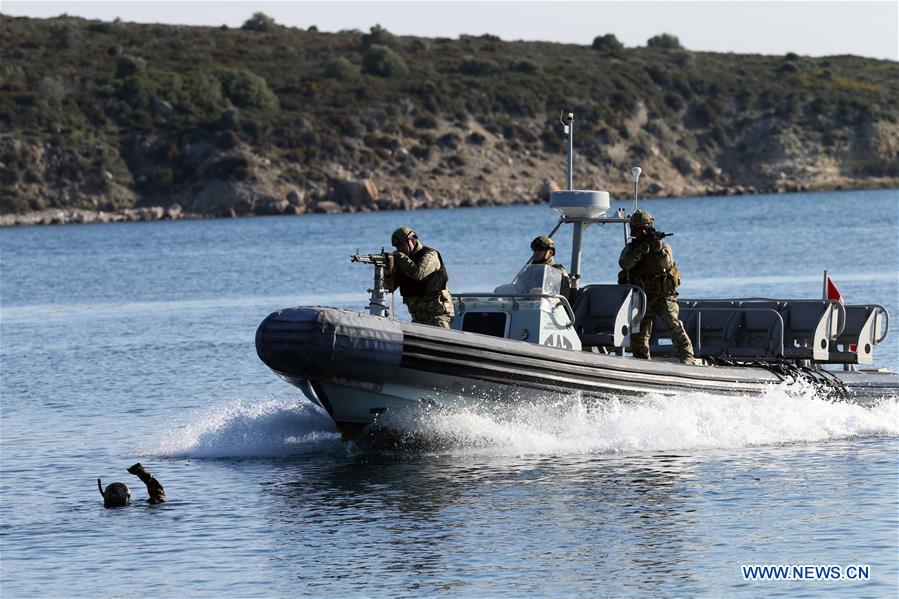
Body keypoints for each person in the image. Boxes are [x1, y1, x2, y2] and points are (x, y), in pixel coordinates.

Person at [618, 209, 699, 365]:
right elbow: (625, 264)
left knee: (673, 324)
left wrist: (658, 249)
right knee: (639, 333)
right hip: (643, 296)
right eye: (638, 228)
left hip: (663, 295)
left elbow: (667, 264)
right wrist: (640, 250)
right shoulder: (631, 248)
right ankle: (641, 362)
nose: (642, 231)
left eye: (645, 228)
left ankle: (687, 357)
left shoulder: (663, 246)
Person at [384, 227, 454, 328]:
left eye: (401, 246)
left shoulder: (430, 255)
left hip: (437, 314)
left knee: (438, 338)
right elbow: (389, 288)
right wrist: (388, 273)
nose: (399, 250)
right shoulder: (402, 262)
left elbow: (418, 273)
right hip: (418, 317)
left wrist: (399, 257)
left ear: (412, 240)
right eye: (397, 247)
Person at [529, 235, 572, 301]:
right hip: (527, 306)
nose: (536, 252)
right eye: (534, 249)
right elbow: (518, 289)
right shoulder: (529, 271)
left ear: (550, 253)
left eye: (540, 249)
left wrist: (543, 293)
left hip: (551, 308)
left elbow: (564, 296)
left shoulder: (558, 272)